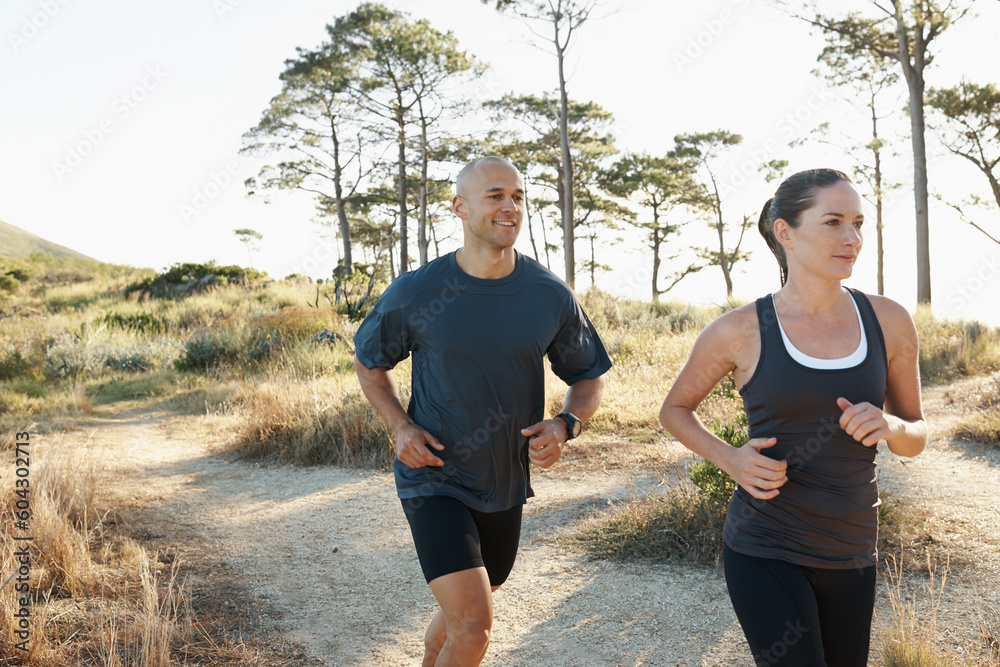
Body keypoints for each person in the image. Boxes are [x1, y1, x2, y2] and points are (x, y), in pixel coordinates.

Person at [659, 168, 927, 667]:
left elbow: (916, 435)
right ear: (785, 232)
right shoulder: (739, 329)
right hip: (765, 544)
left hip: (853, 548)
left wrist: (892, 427)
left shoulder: (888, 321)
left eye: (858, 223)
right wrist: (731, 460)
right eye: (833, 222)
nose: (852, 239)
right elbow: (674, 410)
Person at [353, 156, 612, 667]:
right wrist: (400, 426)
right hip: (434, 477)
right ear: (460, 207)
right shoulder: (417, 291)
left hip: (504, 483)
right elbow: (369, 363)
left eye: (517, 196)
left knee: (458, 623)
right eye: (495, 195)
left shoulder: (548, 295)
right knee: (474, 627)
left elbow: (588, 375)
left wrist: (566, 423)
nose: (509, 206)